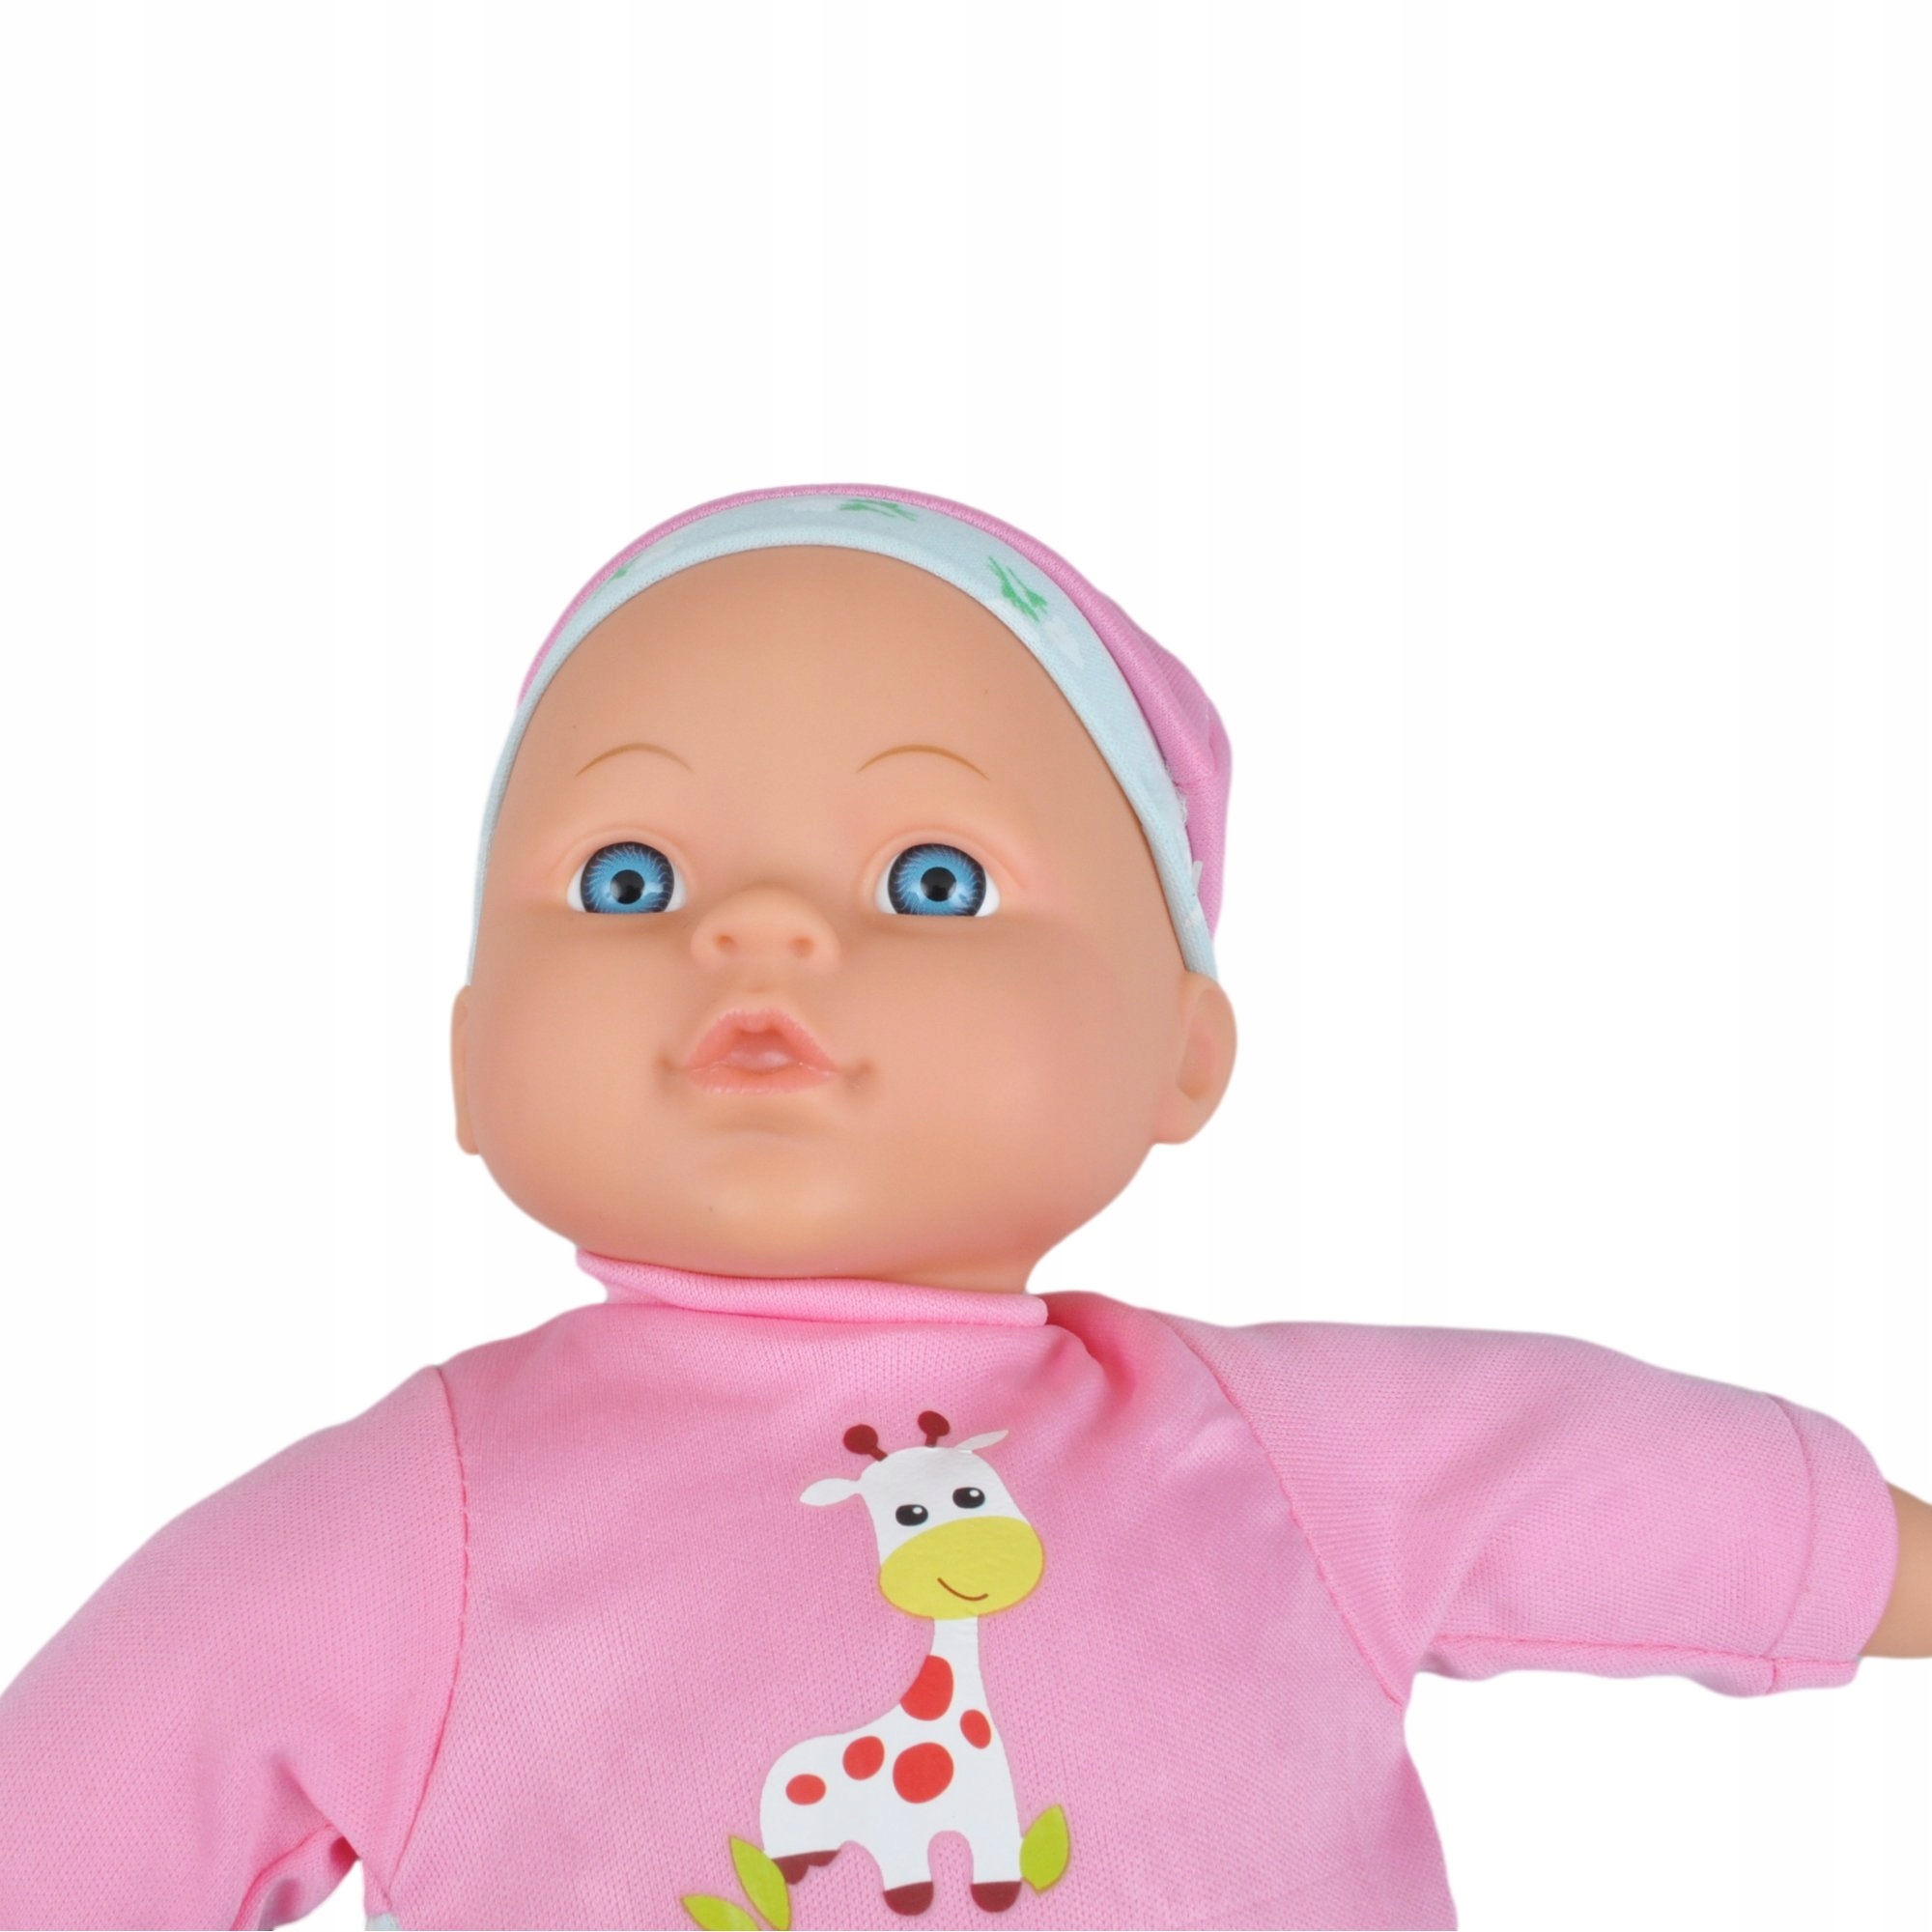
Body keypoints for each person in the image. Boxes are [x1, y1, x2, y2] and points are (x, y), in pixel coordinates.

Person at [0, 483, 1923, 1931]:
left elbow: (1640, 1485)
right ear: (470, 1058)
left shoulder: (1273, 1450)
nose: (760, 928)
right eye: (626, 881)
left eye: (932, 880)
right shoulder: (416, 1524)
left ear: (1180, 1049)